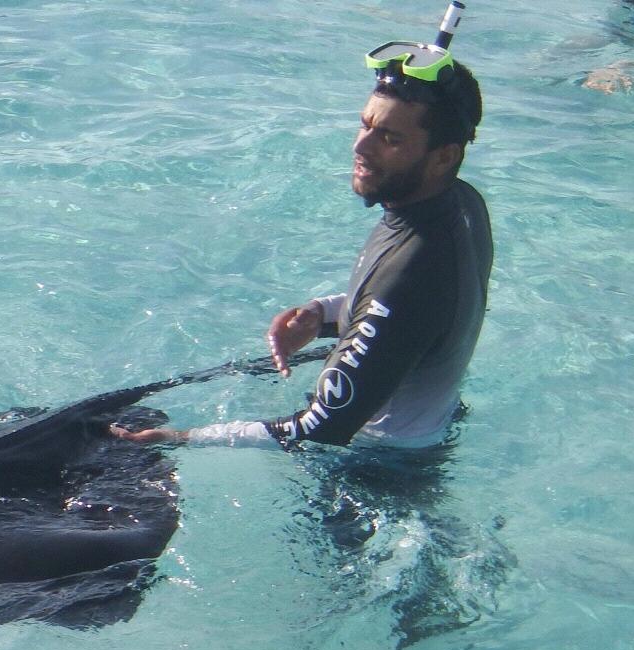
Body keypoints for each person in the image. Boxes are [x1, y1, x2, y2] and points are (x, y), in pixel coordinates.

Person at [113, 52, 492, 452]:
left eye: (390, 138)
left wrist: (183, 439)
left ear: (444, 156)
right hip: (430, 428)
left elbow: (321, 428)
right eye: (365, 125)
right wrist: (321, 315)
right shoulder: (462, 205)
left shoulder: (415, 266)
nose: (361, 146)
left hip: (376, 470)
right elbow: (404, 315)